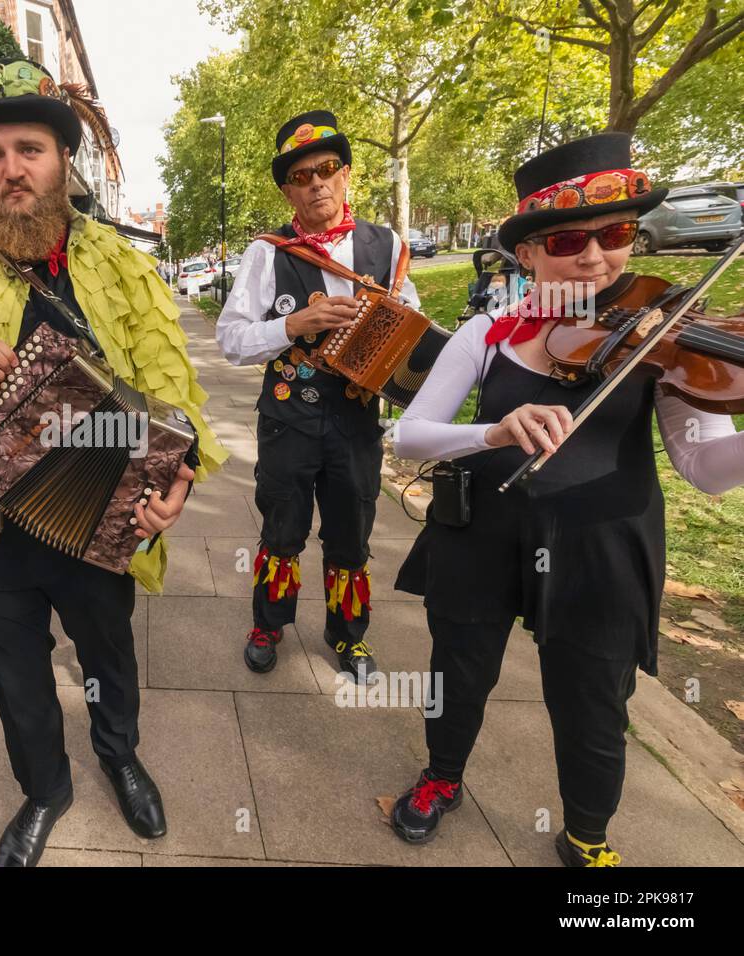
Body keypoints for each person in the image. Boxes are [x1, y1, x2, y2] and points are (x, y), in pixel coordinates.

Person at [0, 57, 225, 866]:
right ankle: (45, 791)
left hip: (100, 512)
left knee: (109, 655)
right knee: (16, 681)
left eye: (29, 149)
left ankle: (119, 753)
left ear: (63, 161)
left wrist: (175, 479)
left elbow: (171, 387)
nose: (11, 169)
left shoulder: (120, 263)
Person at [387, 133, 744, 866]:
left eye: (614, 235)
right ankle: (441, 778)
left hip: (601, 545)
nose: (593, 258)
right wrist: (492, 433)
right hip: (482, 535)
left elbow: (704, 467)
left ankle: (586, 833)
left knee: (592, 703)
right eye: (568, 241)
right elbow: (411, 437)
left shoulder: (663, 334)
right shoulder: (489, 332)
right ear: (528, 256)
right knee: (457, 673)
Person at [216, 110, 418, 678]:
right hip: (288, 419)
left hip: (356, 425)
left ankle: (348, 636)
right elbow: (231, 339)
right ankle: (269, 624)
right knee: (281, 529)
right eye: (302, 176)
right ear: (288, 189)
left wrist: (390, 347)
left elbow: (414, 327)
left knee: (351, 536)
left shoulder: (389, 246)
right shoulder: (267, 252)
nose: (317, 183)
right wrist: (292, 327)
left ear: (347, 174)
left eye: (327, 169)